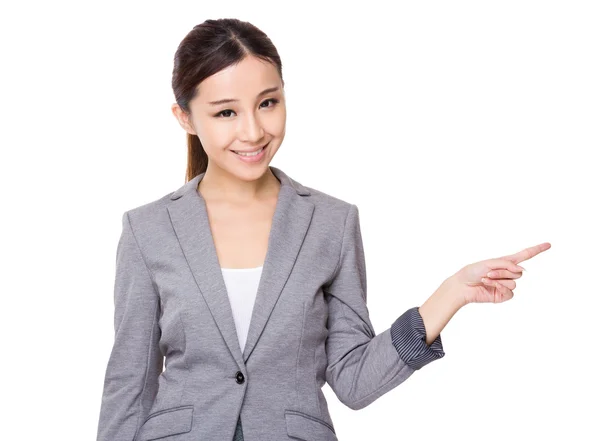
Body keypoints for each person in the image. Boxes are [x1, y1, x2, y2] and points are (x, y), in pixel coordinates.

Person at [95, 18, 551, 441]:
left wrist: (450, 294)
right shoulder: (147, 229)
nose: (253, 131)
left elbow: (352, 380)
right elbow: (128, 384)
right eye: (225, 113)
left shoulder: (332, 223)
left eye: (267, 103)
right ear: (185, 118)